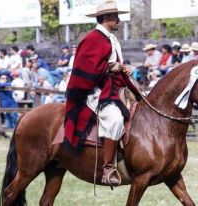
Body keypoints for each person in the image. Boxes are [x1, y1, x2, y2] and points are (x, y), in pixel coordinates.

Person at [63, 0, 140, 187]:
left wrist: (123, 67)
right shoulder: (93, 38)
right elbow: (85, 69)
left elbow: (110, 64)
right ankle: (108, 168)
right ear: (106, 18)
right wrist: (109, 67)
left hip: (114, 89)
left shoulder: (110, 38)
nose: (119, 20)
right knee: (114, 119)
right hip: (96, 93)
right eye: (116, 17)